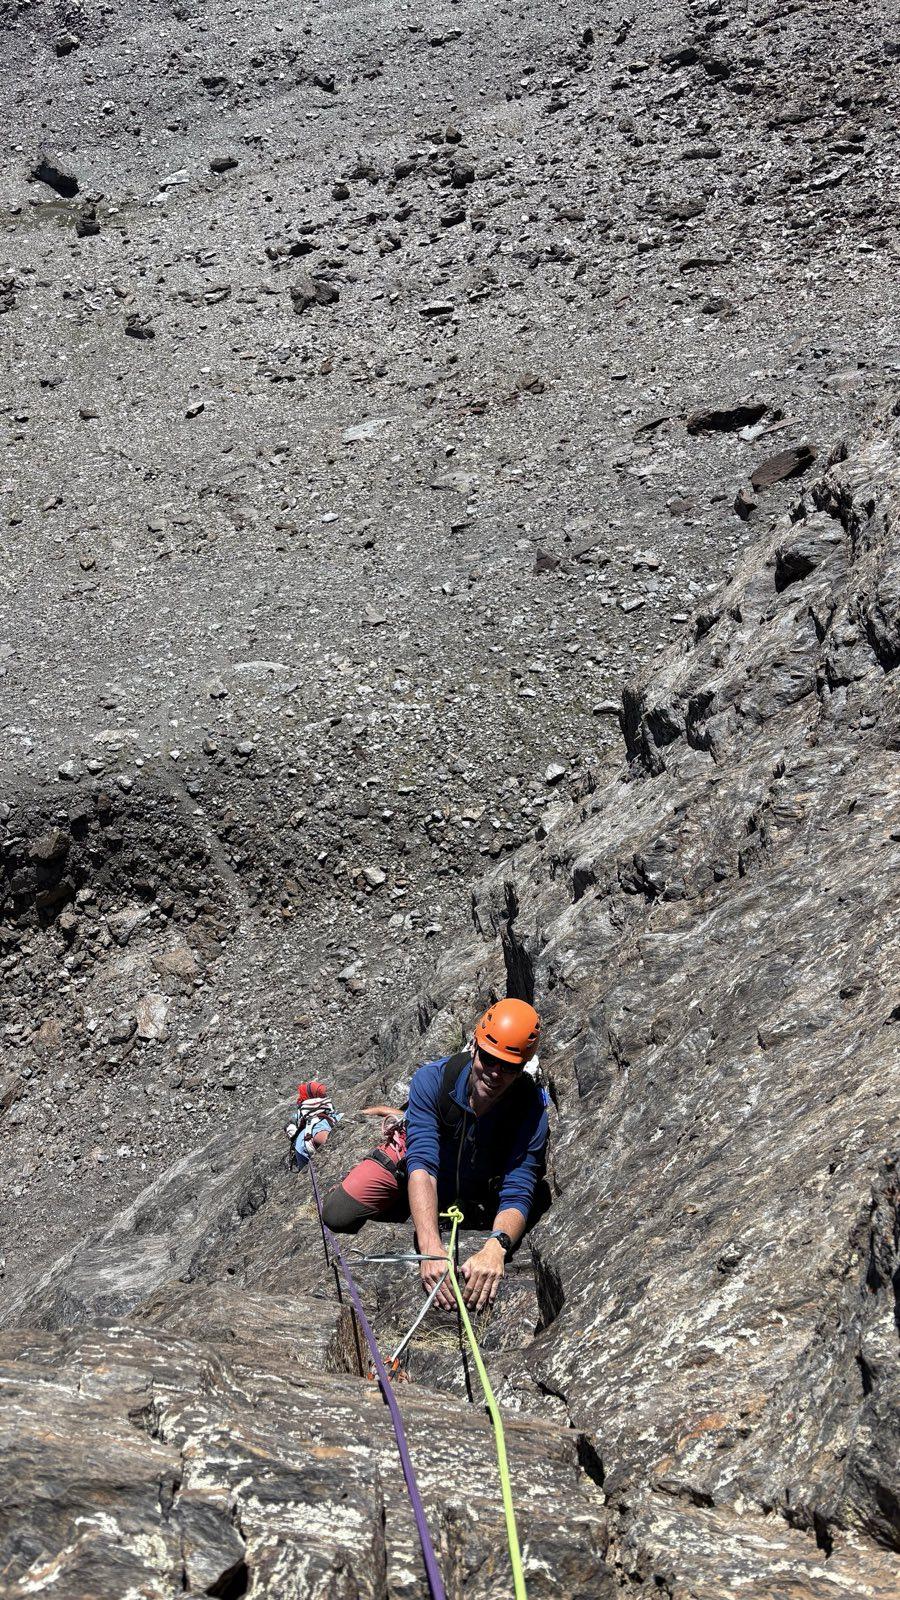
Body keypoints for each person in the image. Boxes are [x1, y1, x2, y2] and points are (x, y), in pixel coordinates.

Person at [321, 998, 549, 1313]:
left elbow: (519, 1187)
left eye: (509, 1066)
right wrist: (430, 1248)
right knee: (337, 1213)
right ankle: (400, 1127)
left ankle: (410, 1123)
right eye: (489, 1059)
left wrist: (496, 1246)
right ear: (474, 1047)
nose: (495, 1073)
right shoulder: (434, 1080)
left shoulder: (530, 1111)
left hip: (473, 1182)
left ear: (522, 1067)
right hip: (416, 1166)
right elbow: (423, 1166)